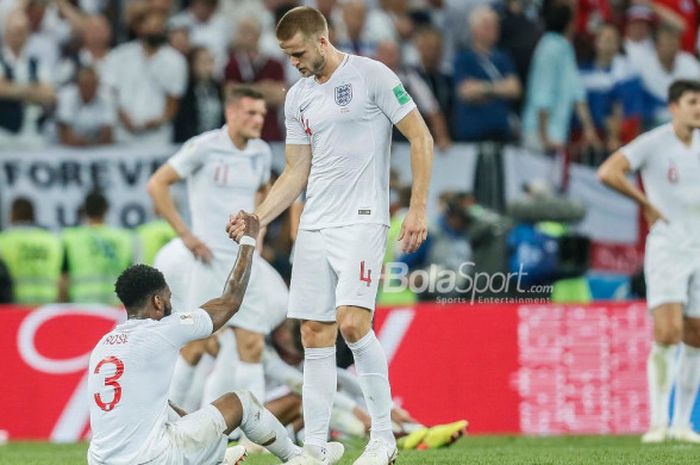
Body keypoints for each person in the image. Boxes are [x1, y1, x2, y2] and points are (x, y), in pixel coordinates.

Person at [227, 7, 433, 465]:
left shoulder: (372, 75)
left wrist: (418, 207)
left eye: (298, 53)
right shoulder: (297, 97)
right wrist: (258, 216)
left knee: (354, 323)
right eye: (286, 55)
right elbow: (296, 170)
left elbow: (421, 138)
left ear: (322, 40)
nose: (293, 62)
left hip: (363, 218)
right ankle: (317, 446)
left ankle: (383, 438)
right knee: (314, 333)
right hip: (316, 223)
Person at [86, 212, 303, 465]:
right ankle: (300, 458)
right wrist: (249, 243)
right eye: (168, 298)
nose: (171, 304)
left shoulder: (104, 345)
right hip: (152, 459)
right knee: (240, 401)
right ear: (157, 301)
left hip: (100, 461)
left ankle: (217, 457)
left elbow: (157, 404)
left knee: (172, 415)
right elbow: (229, 302)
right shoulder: (163, 329)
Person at [147, 86, 289, 429]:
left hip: (244, 262)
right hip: (209, 262)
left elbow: (262, 191)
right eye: (251, 113)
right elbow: (158, 184)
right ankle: (166, 426)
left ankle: (254, 434)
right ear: (231, 114)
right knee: (195, 346)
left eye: (262, 114)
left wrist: (261, 226)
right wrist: (185, 234)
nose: (259, 120)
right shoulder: (204, 146)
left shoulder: (258, 152)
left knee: (251, 343)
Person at [597, 79, 700, 444]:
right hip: (669, 247)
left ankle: (683, 424)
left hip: (699, 247)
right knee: (669, 331)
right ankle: (658, 422)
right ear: (674, 107)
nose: (698, 109)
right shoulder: (654, 143)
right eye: (692, 102)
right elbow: (609, 171)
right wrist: (646, 204)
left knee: (696, 336)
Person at [62, 191, 133, 304]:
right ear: (106, 209)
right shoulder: (124, 238)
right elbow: (132, 278)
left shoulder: (71, 238)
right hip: (116, 307)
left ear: (84, 210)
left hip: (83, 306)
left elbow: (64, 279)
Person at [0, 197, 63, 304]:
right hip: (48, 303)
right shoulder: (51, 240)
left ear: (13, 215)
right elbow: (63, 276)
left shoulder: (4, 240)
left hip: (15, 305)